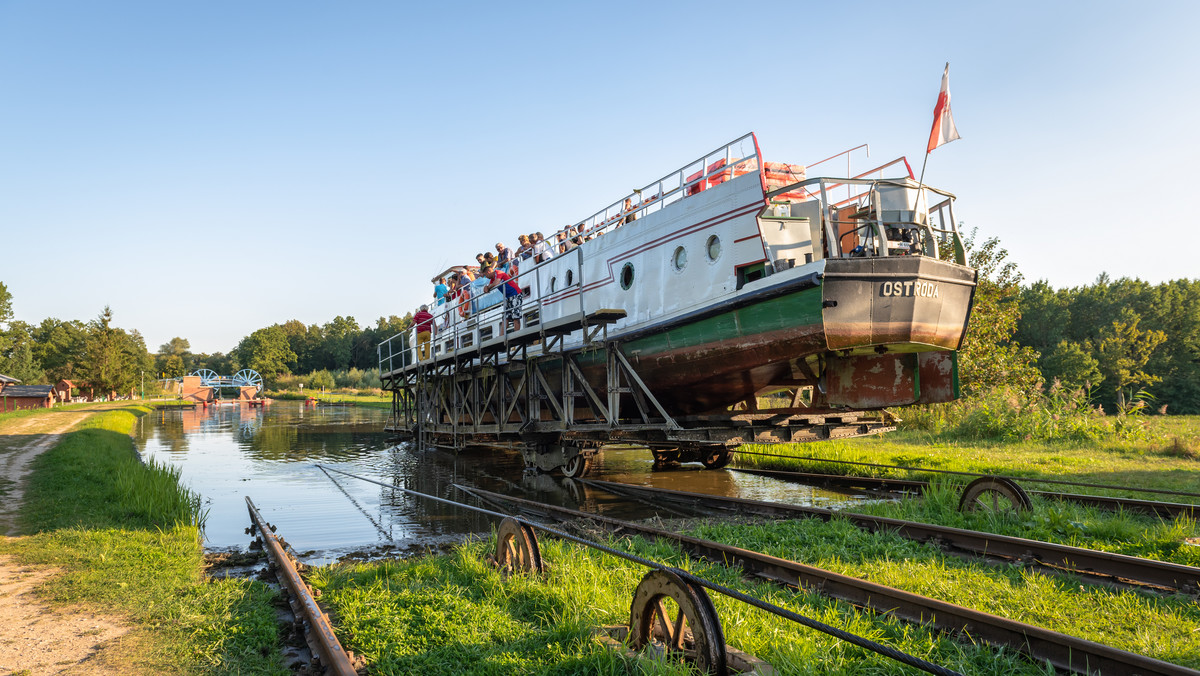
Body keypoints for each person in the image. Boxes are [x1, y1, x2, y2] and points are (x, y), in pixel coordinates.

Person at [481, 265, 522, 334]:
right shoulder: (492, 280)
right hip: (508, 297)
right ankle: (502, 336)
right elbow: (487, 289)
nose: (486, 277)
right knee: (505, 317)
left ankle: (517, 334)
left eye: (486, 275)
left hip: (515, 294)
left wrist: (488, 287)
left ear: (488, 272)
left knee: (515, 315)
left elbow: (496, 282)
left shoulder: (499, 272)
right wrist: (486, 287)